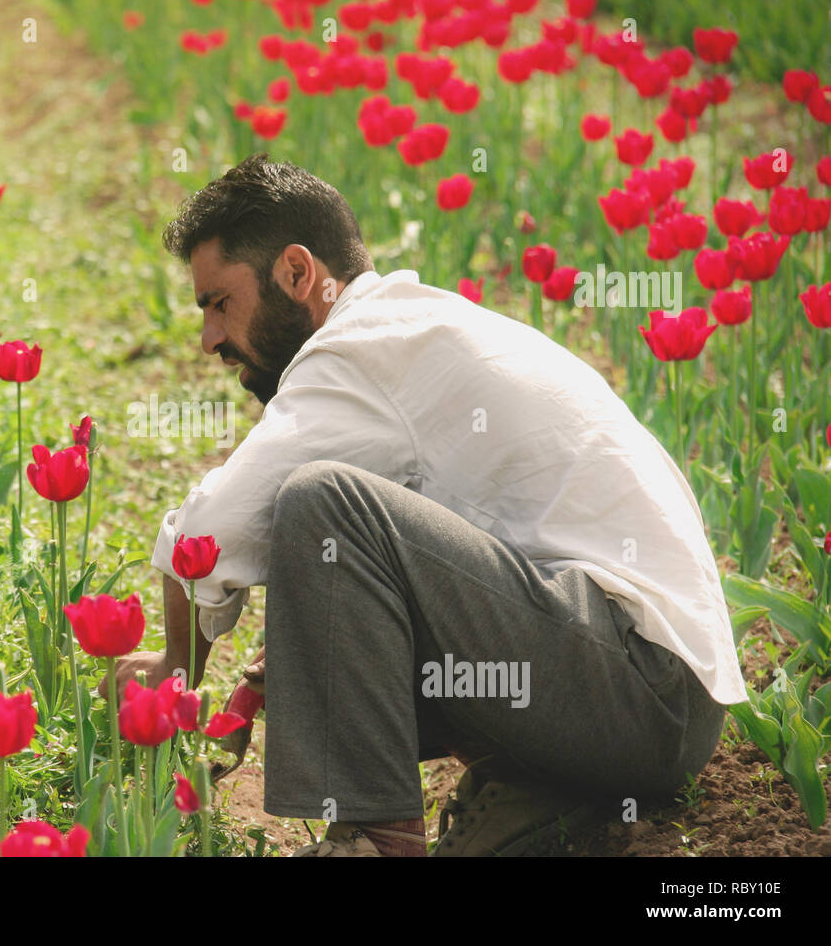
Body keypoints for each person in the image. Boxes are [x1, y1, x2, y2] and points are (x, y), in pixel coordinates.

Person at [98, 152, 747, 857]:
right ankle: (542, 793)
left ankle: (374, 838)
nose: (209, 339)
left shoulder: (358, 348)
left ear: (295, 273)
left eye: (219, 303)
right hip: (651, 699)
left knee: (323, 501)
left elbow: (210, 535)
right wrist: (274, 673)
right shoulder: (413, 329)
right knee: (324, 556)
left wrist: (173, 668)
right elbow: (382, 579)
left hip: (637, 684)